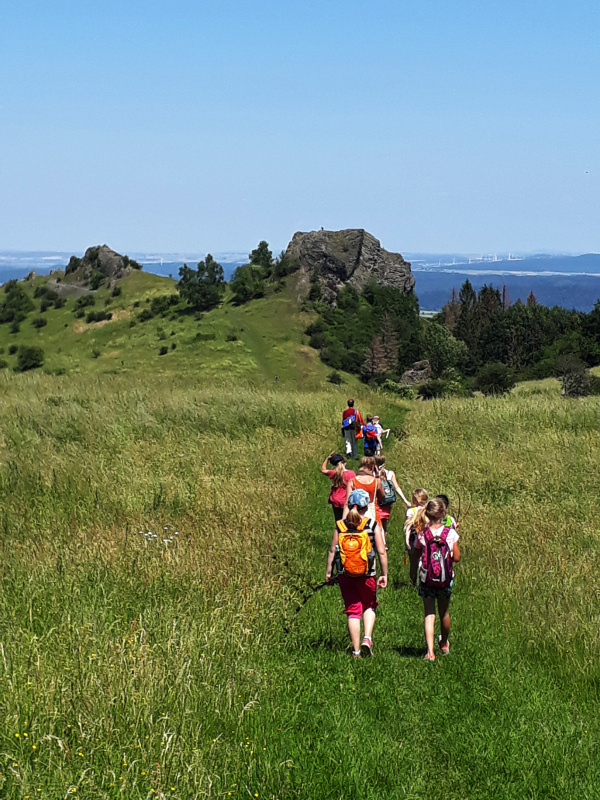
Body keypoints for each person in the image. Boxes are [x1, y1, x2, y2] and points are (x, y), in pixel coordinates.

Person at [325, 488, 388, 658]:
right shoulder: (371, 525)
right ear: (365, 507)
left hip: (345, 574)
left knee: (353, 610)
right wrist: (384, 574)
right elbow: (381, 552)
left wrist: (329, 573)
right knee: (369, 605)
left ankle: (356, 650)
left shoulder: (340, 526)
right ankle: (367, 638)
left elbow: (333, 551)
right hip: (367, 574)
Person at [410, 497, 461, 660]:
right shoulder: (450, 533)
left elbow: (417, 552)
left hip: (426, 578)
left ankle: (430, 652)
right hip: (445, 579)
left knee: (429, 613)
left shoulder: (422, 533)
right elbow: (457, 558)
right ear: (443, 513)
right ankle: (444, 643)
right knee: (444, 612)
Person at [343, 457, 385, 528]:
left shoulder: (352, 481)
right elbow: (382, 497)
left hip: (356, 517)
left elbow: (347, 503)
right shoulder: (376, 481)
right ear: (373, 467)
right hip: (373, 516)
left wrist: (344, 520)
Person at [374, 455, 410, 537]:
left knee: (378, 525)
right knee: (384, 525)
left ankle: (381, 544)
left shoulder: (374, 474)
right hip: (388, 502)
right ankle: (384, 544)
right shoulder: (390, 473)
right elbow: (396, 487)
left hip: (377, 502)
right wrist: (405, 501)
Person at [320, 452, 356, 522]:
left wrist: (327, 459)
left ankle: (338, 532)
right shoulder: (351, 474)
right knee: (348, 521)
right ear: (344, 463)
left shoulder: (334, 473)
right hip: (346, 500)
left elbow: (323, 470)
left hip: (335, 500)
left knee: (338, 521)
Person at [404, 488, 428, 587]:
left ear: (415, 499)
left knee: (413, 562)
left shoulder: (411, 511)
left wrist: (406, 540)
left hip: (413, 538)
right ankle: (424, 582)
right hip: (426, 538)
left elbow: (408, 527)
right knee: (424, 561)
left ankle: (413, 583)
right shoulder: (428, 510)